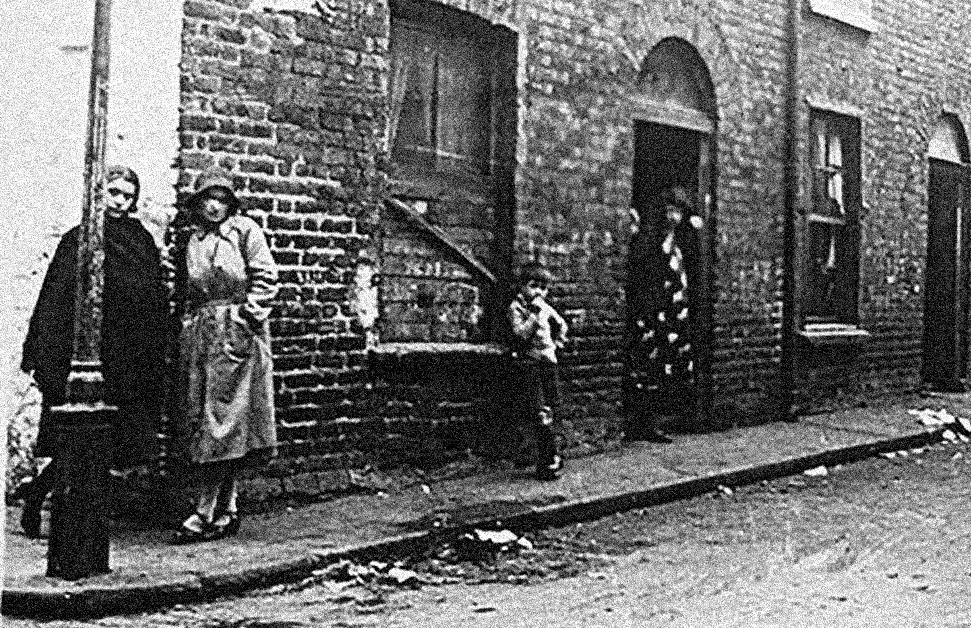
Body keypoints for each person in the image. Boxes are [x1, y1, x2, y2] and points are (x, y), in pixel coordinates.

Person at [17, 166, 168, 538]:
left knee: (110, 437)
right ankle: (39, 495)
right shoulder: (79, 237)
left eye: (127, 196)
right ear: (97, 194)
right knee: (75, 434)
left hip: (125, 354)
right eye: (112, 192)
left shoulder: (140, 239)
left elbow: (151, 296)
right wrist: (41, 349)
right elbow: (54, 296)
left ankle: (78, 510)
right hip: (82, 353)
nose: (118, 201)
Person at [172, 167, 278, 543]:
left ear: (230, 203)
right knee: (205, 418)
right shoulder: (194, 239)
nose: (213, 206)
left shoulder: (246, 232)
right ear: (198, 204)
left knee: (227, 420)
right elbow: (188, 288)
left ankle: (205, 509)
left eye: (220, 199)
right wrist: (189, 323)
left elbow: (266, 279)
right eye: (206, 199)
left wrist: (245, 318)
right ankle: (228, 506)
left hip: (236, 333)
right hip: (202, 334)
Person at [625, 186, 699, 439]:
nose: (673, 217)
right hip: (653, 308)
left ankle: (663, 418)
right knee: (650, 364)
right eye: (669, 211)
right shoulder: (651, 237)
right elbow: (645, 269)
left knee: (671, 362)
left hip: (673, 308)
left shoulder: (680, 238)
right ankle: (645, 423)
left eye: (678, 212)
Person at [508, 262, 569, 480]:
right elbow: (521, 334)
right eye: (534, 286)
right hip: (530, 365)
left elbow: (561, 324)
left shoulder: (544, 306)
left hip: (547, 364)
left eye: (543, 288)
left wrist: (557, 344)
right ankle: (546, 460)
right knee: (538, 411)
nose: (538, 293)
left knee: (551, 409)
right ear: (522, 286)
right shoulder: (517, 308)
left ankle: (552, 457)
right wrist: (533, 315)